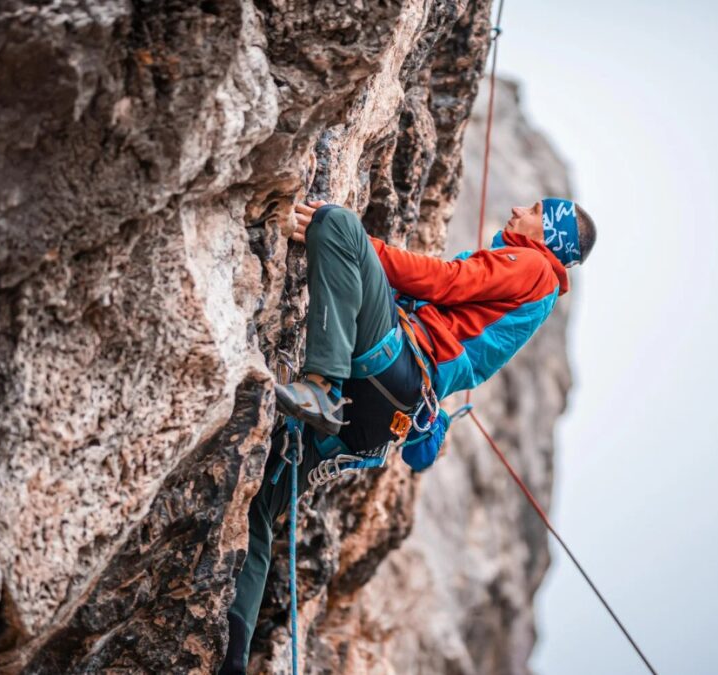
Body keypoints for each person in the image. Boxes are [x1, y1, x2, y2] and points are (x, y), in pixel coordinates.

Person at [219, 198, 597, 674]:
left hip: (395, 364)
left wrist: (362, 247)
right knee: (259, 507)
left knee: (337, 224)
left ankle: (321, 386)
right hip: (383, 417)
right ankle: (230, 664)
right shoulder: (532, 298)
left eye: (538, 210)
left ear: (552, 234)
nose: (521, 208)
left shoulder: (534, 265)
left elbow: (446, 281)